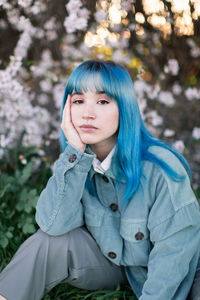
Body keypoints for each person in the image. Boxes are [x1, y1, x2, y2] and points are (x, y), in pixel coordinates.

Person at [0, 60, 200, 300]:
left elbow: (173, 255)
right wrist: (75, 151)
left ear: (124, 107)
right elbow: (53, 225)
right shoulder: (76, 163)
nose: (88, 113)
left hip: (185, 271)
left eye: (103, 101)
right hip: (118, 265)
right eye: (78, 101)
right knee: (48, 241)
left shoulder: (160, 168)